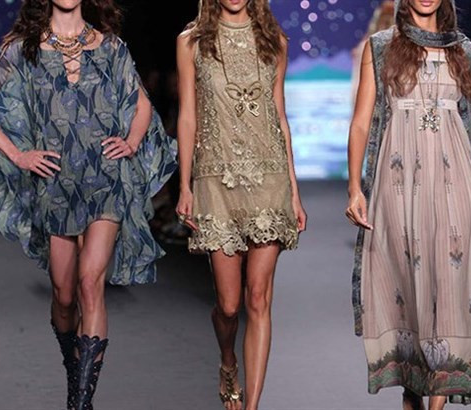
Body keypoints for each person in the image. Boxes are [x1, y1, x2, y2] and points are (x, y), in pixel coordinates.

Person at [0, 0, 176, 408]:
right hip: (55, 184)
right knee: (63, 295)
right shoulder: (25, 48)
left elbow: (142, 102)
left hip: (106, 179)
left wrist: (131, 142)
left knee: (91, 283)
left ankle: (80, 400)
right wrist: (18, 155)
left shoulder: (109, 46)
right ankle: (75, 368)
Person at [346, 0, 471, 409]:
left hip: (456, 189)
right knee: (409, 297)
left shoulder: (464, 51)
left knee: (449, 291)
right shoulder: (381, 47)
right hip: (398, 188)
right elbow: (362, 122)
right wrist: (355, 188)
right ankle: (412, 390)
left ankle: (434, 397)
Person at [175, 0, 307, 408]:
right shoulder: (192, 41)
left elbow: (279, 117)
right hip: (216, 182)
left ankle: (252, 405)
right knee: (229, 306)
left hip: (270, 180)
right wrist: (185, 186)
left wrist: (293, 190)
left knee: (258, 298)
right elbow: (187, 116)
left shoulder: (274, 40)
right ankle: (228, 360)